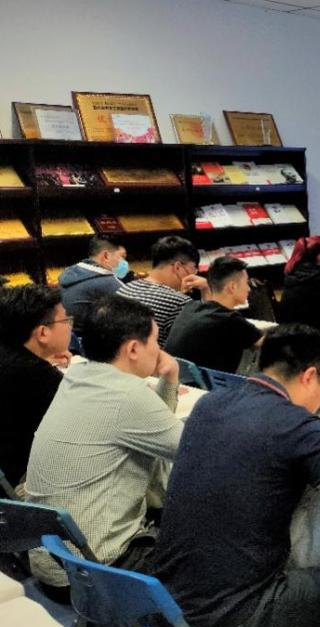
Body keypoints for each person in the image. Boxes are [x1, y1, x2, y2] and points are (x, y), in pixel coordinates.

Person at [154, 324, 320, 627]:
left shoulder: (210, 404)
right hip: (238, 615)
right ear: (309, 376)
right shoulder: (296, 424)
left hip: (169, 605)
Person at [25, 295, 182, 595]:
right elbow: (192, 452)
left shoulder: (77, 376)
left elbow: (156, 432)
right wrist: (172, 376)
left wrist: (170, 377)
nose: (159, 350)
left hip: (53, 565)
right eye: (155, 341)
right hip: (97, 573)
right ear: (133, 349)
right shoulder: (127, 395)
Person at [0, 286, 72, 490]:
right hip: (23, 482)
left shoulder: (9, 356)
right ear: (42, 332)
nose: (70, 326)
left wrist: (43, 357)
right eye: (66, 320)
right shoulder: (41, 378)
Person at [165, 256, 264, 374]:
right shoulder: (230, 320)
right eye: (246, 283)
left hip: (177, 379)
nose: (249, 289)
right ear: (232, 287)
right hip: (208, 384)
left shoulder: (191, 307)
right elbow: (270, 344)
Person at [117, 236, 208, 346]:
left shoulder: (124, 289)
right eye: (193, 269)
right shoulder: (179, 303)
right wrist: (207, 291)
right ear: (177, 267)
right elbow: (203, 339)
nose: (194, 275)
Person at [58, 234, 127, 322]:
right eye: (122, 257)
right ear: (106, 256)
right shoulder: (109, 283)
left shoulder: (69, 273)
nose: (125, 262)